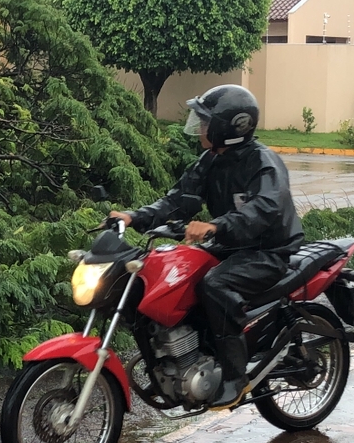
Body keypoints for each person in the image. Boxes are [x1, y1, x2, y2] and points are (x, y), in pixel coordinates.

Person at [111, 85, 303, 408]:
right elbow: (178, 201)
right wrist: (133, 217)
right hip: (231, 247)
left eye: (205, 122)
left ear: (230, 128)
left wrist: (216, 225)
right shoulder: (210, 160)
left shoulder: (263, 163)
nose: (199, 127)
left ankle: (234, 377)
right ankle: (185, 359)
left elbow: (265, 209)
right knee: (177, 274)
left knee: (214, 285)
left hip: (270, 251)